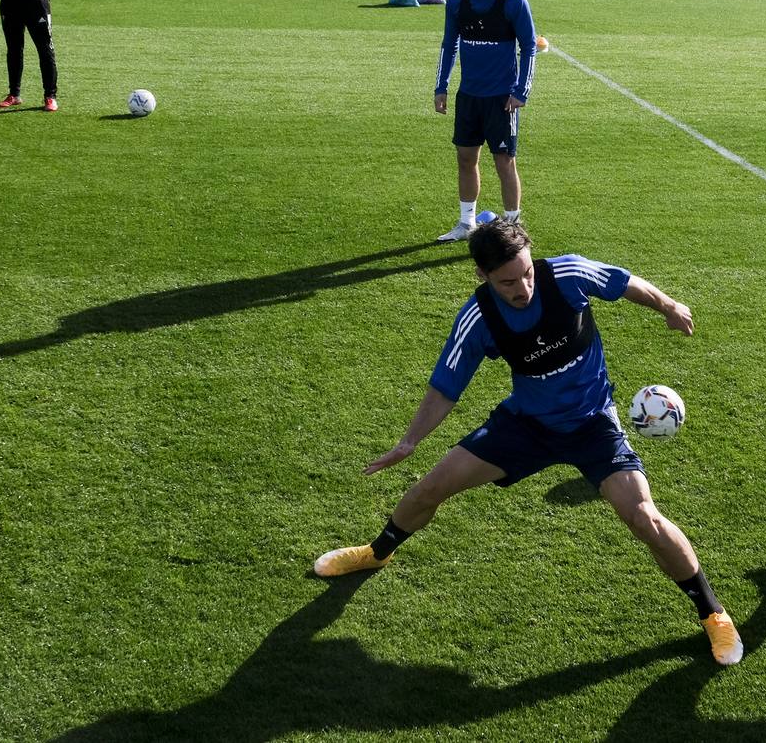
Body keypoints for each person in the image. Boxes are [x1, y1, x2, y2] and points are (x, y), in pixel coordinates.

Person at [314, 220, 744, 667]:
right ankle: (375, 553)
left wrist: (669, 305)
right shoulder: (479, 317)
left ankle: (712, 613)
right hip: (526, 426)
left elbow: (624, 282)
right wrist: (409, 441)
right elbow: (445, 387)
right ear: (482, 276)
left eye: (526, 274)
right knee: (430, 488)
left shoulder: (569, 274)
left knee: (645, 519)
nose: (522, 287)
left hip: (593, 423)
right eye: (507, 281)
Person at [433, 0, 536, 243]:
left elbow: (529, 47)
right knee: (466, 159)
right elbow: (448, 44)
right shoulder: (457, 1)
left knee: (505, 162)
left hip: (502, 100)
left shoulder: (513, 1)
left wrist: (521, 91)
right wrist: (442, 87)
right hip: (469, 97)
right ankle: (467, 224)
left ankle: (514, 226)